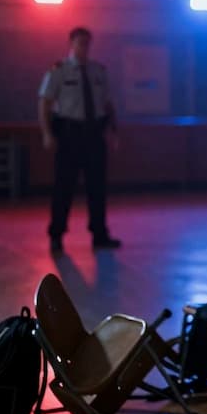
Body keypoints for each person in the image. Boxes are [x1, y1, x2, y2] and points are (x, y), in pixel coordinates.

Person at [38, 27, 121, 254]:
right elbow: (45, 103)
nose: (84, 47)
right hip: (69, 134)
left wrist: (113, 130)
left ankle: (100, 234)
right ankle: (56, 235)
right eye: (80, 42)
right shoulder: (59, 71)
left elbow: (107, 103)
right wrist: (47, 133)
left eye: (87, 42)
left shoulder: (98, 71)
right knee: (63, 187)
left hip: (94, 133)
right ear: (71, 44)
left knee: (97, 187)